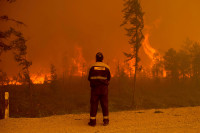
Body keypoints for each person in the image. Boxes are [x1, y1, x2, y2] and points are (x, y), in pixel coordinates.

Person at [88, 52, 111, 126]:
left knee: (94, 104)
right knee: (105, 104)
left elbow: (89, 78)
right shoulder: (107, 67)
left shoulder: (92, 67)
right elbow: (109, 78)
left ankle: (93, 122)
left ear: (96, 58)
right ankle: (106, 120)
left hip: (95, 89)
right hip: (104, 89)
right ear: (102, 59)